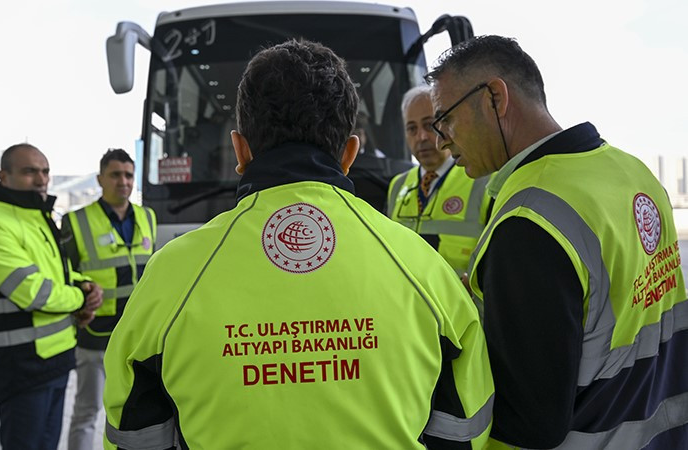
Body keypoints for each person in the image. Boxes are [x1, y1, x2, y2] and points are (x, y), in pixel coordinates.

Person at [103, 39, 493, 449]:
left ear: (240, 149)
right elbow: (467, 426)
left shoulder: (171, 274)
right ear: (349, 153)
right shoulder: (423, 268)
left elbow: (133, 431)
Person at [427, 35, 688, 448]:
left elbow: (531, 421)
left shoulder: (531, 218)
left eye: (445, 119)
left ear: (495, 97)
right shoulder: (631, 171)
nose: (441, 140)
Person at [0, 143, 102, 450]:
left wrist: (86, 285)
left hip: (56, 357)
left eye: (45, 171)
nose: (41, 179)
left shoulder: (37, 219)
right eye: (29, 171)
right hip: (21, 365)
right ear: (3, 175)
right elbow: (35, 293)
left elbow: (58, 276)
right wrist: (81, 298)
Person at [62, 149, 156, 450]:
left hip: (139, 336)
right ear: (100, 178)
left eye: (129, 175)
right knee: (87, 411)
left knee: (141, 413)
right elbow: (64, 274)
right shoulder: (76, 221)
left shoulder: (148, 217)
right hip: (96, 335)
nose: (123, 182)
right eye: (115, 174)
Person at [387, 85, 492, 275]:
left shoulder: (482, 180)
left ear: (446, 124)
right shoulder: (397, 186)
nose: (421, 137)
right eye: (412, 128)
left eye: (429, 125)